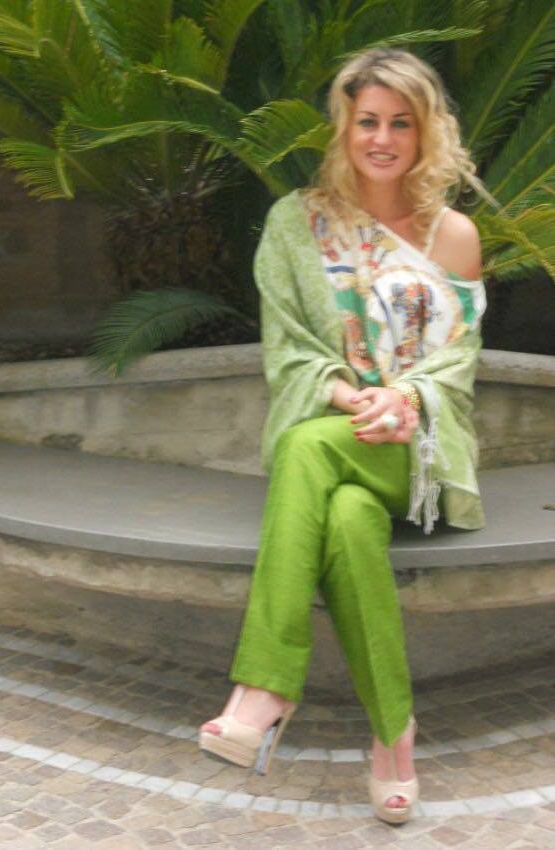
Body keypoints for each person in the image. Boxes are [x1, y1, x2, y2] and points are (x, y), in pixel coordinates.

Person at [198, 47, 489, 825]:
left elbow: (458, 362)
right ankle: (395, 737)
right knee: (350, 521)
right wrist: (347, 395)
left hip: (421, 450)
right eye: (368, 121)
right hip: (339, 431)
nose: (382, 138)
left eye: (401, 123)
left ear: (427, 132)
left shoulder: (454, 235)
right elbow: (286, 346)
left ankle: (265, 687)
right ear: (344, 126)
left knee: (304, 448)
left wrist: (403, 399)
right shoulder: (297, 224)